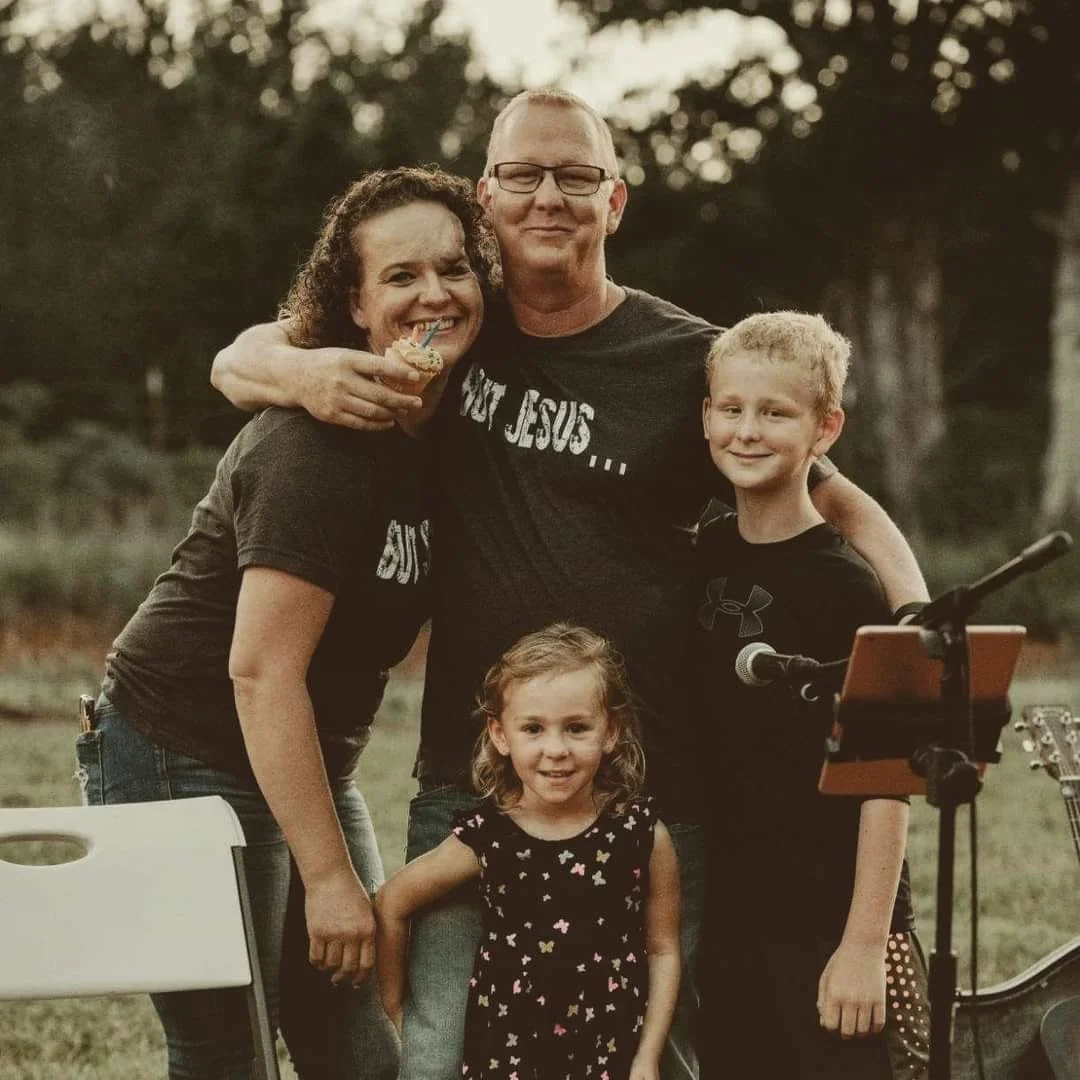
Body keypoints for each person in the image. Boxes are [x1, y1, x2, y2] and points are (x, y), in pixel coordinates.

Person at [209, 88, 929, 1079]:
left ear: (615, 202)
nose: (550, 196)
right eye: (523, 175)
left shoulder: (688, 360)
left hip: (651, 780)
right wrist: (295, 376)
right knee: (446, 1052)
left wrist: (916, 625)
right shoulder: (451, 325)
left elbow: (835, 496)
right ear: (486, 197)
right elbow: (241, 355)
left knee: (648, 1050)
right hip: (474, 773)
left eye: (577, 176)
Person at [74, 166, 497, 1079]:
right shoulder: (318, 445)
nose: (435, 294)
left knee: (359, 1056)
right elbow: (260, 671)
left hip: (306, 750)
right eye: (400, 277)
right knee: (230, 1051)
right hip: (178, 742)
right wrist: (331, 877)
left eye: (455, 269)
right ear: (352, 303)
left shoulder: (449, 421)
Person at [695, 311, 929, 1079]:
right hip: (730, 916)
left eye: (776, 413)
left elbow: (888, 780)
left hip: (831, 918)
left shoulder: (847, 587)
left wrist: (863, 944)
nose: (748, 431)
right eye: (731, 409)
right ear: (705, 417)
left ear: (826, 429)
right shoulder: (696, 555)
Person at [374, 623, 682, 1080]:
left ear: (611, 730)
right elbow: (392, 902)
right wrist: (397, 1007)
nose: (555, 749)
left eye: (577, 728)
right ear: (500, 735)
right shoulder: (489, 836)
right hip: (505, 1061)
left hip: (608, 1055)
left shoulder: (640, 835)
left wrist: (647, 1058)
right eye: (533, 729)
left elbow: (663, 951)